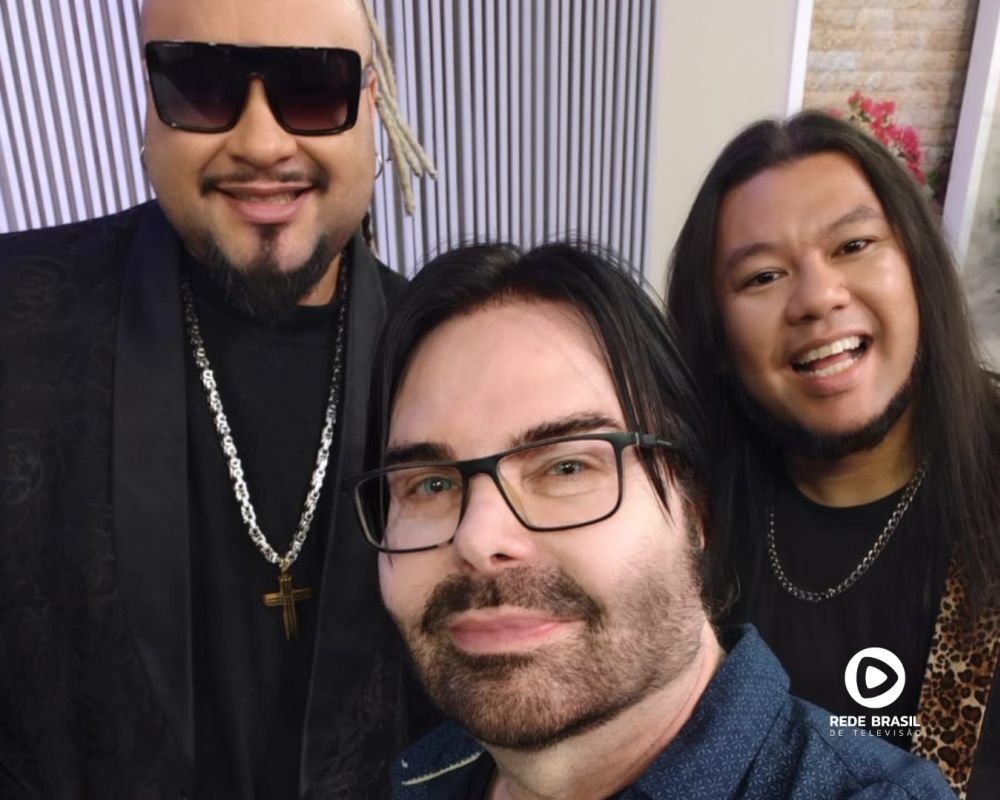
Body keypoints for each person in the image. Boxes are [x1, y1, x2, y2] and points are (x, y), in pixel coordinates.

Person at [0, 0, 435, 797]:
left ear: (371, 102)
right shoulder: (15, 317)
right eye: (201, 85)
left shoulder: (447, 361)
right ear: (150, 99)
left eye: (312, 86)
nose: (262, 143)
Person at [348, 242, 955, 799]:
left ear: (696, 507)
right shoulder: (425, 771)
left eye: (566, 467)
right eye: (429, 484)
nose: (478, 538)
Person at [667, 110, 1000, 799]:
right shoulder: (683, 515)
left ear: (917, 269)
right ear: (717, 336)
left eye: (853, 245)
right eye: (762, 276)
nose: (818, 298)